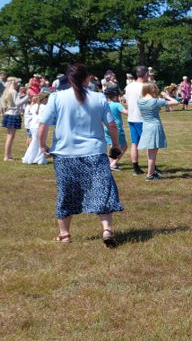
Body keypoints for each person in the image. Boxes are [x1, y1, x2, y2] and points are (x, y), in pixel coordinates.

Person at [37, 63, 123, 247]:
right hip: (95, 152)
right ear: (87, 78)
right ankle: (107, 230)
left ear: (68, 79)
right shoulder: (99, 97)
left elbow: (43, 124)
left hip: (65, 154)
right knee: (103, 190)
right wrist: (115, 145)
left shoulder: (56, 97)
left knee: (66, 193)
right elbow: (112, 124)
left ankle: (64, 234)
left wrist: (42, 145)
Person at [137, 82, 179, 180]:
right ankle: (150, 175)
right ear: (153, 89)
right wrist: (166, 96)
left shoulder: (140, 101)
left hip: (146, 126)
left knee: (150, 152)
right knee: (153, 153)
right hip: (155, 126)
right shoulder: (156, 101)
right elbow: (176, 102)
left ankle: (152, 172)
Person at [124, 66, 148, 175]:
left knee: (134, 143)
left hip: (131, 117)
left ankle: (136, 168)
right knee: (149, 144)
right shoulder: (144, 87)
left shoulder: (129, 86)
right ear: (145, 74)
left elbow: (125, 101)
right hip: (141, 118)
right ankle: (152, 167)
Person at [0, 77, 29, 161]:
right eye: (17, 83)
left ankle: (8, 155)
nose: (18, 85)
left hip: (9, 114)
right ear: (14, 83)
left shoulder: (8, 91)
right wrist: (27, 97)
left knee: (9, 136)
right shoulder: (13, 91)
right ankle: (6, 156)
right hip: (13, 114)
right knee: (10, 136)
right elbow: (17, 103)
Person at [103, 86, 128, 171]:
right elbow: (126, 112)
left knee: (112, 145)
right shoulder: (117, 105)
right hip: (116, 129)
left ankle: (111, 164)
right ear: (114, 96)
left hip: (106, 128)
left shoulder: (105, 104)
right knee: (124, 146)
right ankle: (113, 164)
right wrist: (128, 105)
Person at [22, 93, 48, 165]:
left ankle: (33, 158)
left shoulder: (33, 106)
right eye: (47, 99)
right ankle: (36, 159)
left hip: (33, 126)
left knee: (35, 142)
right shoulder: (45, 107)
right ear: (44, 99)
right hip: (40, 126)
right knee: (41, 143)